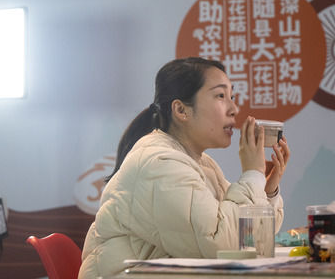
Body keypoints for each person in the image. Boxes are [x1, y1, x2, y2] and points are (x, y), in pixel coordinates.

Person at [78, 57, 291, 278]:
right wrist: (252, 175)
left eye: (232, 97)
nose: (234, 109)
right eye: (220, 96)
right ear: (181, 110)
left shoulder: (201, 163)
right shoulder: (159, 163)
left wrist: (266, 189)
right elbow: (221, 245)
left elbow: (247, 239)